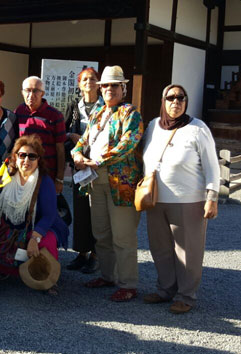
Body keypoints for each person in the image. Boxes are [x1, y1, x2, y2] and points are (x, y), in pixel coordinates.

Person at [141, 84, 220, 314]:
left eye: (181, 98)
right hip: (156, 199)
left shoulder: (198, 128)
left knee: (187, 250)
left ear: (186, 101)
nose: (175, 102)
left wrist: (212, 196)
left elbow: (212, 165)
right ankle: (165, 289)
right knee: (160, 248)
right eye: (170, 98)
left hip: (188, 199)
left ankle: (186, 295)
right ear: (163, 101)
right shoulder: (153, 125)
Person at [71, 65, 143, 302]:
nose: (109, 89)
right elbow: (82, 141)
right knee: (101, 232)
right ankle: (108, 275)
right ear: (100, 89)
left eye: (114, 85)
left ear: (123, 88)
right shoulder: (98, 113)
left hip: (120, 182)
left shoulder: (130, 113)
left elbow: (128, 144)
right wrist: (77, 154)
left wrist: (98, 161)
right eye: (106, 85)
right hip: (95, 179)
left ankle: (128, 283)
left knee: (123, 235)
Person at [0, 135, 68, 294]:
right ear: (15, 157)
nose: (26, 160)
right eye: (22, 155)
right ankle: (9, 269)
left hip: (39, 228)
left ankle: (46, 277)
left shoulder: (44, 181)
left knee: (46, 241)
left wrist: (35, 238)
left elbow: (48, 216)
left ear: (38, 159)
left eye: (32, 156)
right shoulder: (6, 175)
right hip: (12, 228)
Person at [63, 67, 102, 274]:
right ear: (79, 84)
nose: (89, 82)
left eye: (93, 78)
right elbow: (63, 131)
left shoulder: (105, 106)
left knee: (97, 210)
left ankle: (96, 254)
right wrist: (72, 137)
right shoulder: (74, 106)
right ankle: (81, 252)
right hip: (79, 166)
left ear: (99, 83)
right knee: (81, 210)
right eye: (85, 79)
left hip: (99, 165)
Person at [15, 76, 66, 195]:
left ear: (42, 93)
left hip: (47, 174)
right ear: (22, 93)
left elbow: (60, 149)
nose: (31, 95)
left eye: (35, 91)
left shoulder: (55, 116)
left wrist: (59, 179)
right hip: (23, 174)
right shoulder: (19, 112)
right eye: (27, 90)